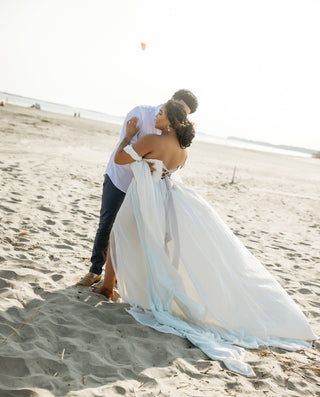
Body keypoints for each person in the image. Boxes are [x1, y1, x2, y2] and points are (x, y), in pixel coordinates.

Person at [95, 100, 316, 376]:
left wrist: (128, 135)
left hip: (145, 198)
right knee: (147, 244)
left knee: (118, 235)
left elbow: (120, 159)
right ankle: (116, 285)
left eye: (161, 114)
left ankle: (107, 287)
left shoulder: (151, 138)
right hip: (165, 200)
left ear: (172, 123)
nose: (156, 115)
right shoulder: (183, 152)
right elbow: (164, 173)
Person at [77, 89, 198, 286]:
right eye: (181, 110)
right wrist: (147, 161)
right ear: (172, 101)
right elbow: (125, 153)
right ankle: (94, 271)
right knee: (107, 225)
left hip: (146, 189)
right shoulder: (141, 113)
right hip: (121, 178)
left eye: (186, 114)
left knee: (131, 233)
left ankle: (116, 279)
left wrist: (155, 163)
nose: (182, 116)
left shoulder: (175, 135)